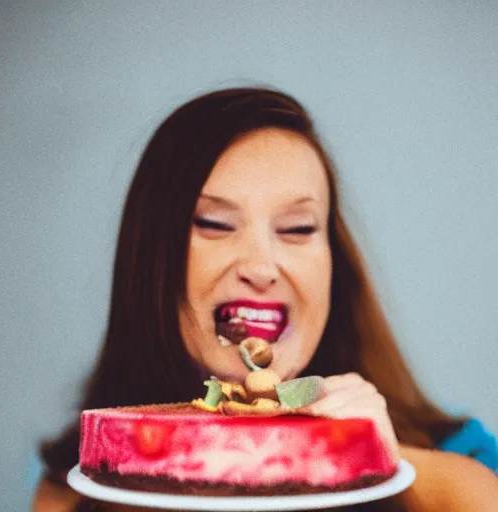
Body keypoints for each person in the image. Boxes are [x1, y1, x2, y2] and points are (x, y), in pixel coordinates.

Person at [33, 87, 498, 511]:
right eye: (214, 223)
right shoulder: (70, 494)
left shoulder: (462, 477)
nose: (260, 267)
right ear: (152, 263)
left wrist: (383, 468)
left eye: (298, 229)